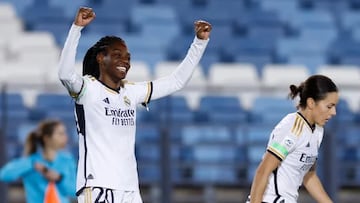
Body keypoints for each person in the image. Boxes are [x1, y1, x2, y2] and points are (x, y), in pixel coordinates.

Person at [58, 6, 211, 203]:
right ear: (100, 58)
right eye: (117, 55)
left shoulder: (130, 92)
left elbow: (176, 82)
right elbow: (64, 74)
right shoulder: (87, 88)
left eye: (128, 57)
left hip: (130, 190)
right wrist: (76, 28)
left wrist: (199, 43)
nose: (125, 61)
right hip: (98, 187)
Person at [247, 75, 339, 203]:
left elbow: (309, 175)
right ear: (311, 103)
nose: (334, 112)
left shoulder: (318, 131)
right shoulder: (292, 127)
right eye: (329, 106)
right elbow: (263, 171)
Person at [0, 119, 76, 203]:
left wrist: (59, 179)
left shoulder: (68, 160)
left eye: (65, 133)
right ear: (46, 138)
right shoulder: (31, 161)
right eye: (60, 134)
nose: (65, 137)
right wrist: (32, 165)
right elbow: (4, 175)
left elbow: (75, 191)